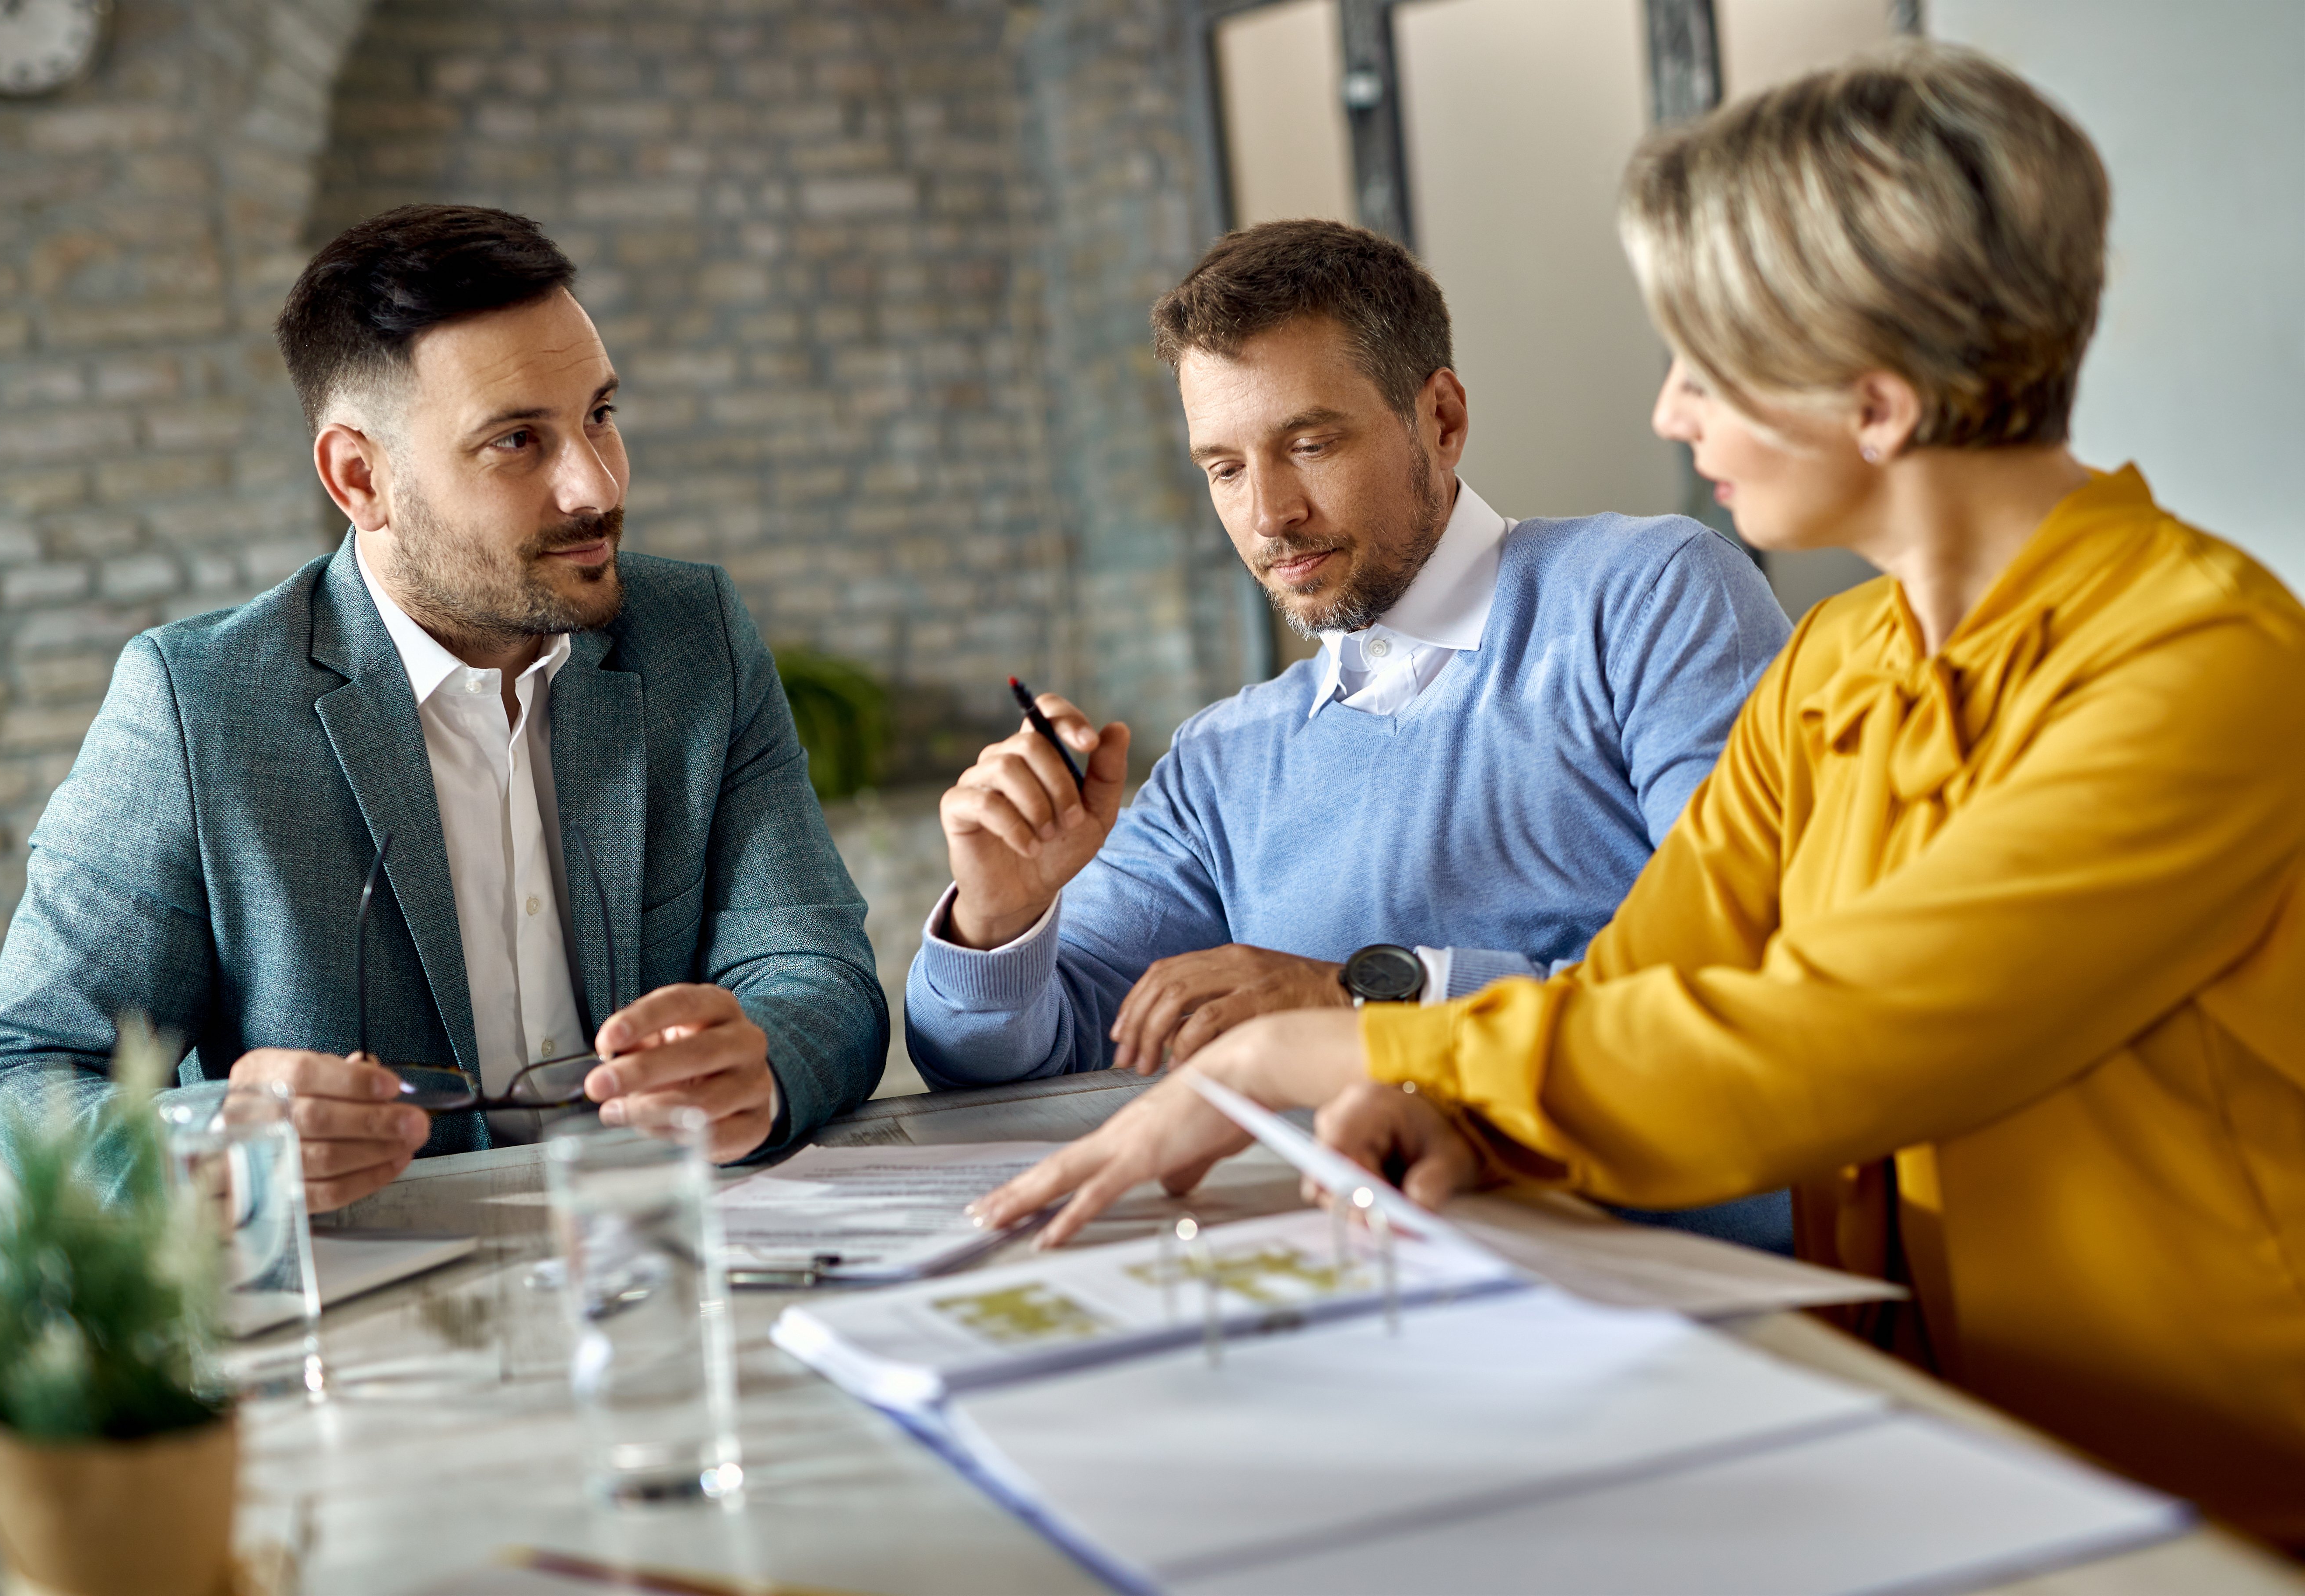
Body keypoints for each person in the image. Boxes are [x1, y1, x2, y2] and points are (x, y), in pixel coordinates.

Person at [972, 45, 2305, 1543]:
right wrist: (1467, 1126)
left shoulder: (2202, 668)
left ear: (1872, 405)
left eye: (1705, 363)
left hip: (2218, 1491)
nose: (1670, 411)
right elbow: (1653, 979)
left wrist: (1311, 1041)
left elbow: (1820, 1039)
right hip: (1930, 1428)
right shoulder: (1844, 656)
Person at [0, 205, 887, 1209]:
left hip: (679, 1263)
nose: (595, 484)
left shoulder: (693, 633)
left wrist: (767, 1064)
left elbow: (816, 968)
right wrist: (213, 1146)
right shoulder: (198, 707)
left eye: (600, 416)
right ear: (361, 477)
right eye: (518, 440)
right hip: (369, 1328)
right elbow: (17, 1081)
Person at [907, 220, 1793, 1247]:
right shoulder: (1222, 760)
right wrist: (997, 918)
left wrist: (1360, 993)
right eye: (1225, 469)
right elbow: (1007, 1064)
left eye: (1310, 444)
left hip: (1679, 1284)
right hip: (1366, 1288)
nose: (1270, 515)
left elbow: (1752, 979)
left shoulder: (1648, 597)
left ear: (1445, 418)